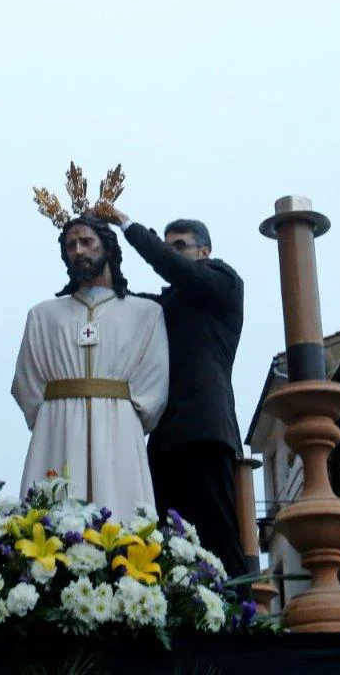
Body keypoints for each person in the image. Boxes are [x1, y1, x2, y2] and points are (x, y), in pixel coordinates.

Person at [113, 212, 248, 579]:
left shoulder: (223, 281)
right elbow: (129, 305)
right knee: (164, 546)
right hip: (164, 439)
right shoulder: (168, 304)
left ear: (204, 251)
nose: (172, 253)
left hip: (205, 431)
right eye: (168, 245)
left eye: (180, 246)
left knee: (217, 540)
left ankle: (241, 623)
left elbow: (175, 269)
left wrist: (129, 227)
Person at [12, 214, 169, 519]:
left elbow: (154, 381)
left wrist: (124, 417)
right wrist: (51, 418)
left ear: (107, 247)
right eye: (71, 245)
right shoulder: (43, 316)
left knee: (122, 515)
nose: (79, 250)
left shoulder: (146, 314)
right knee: (52, 512)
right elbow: (27, 381)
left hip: (119, 427)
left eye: (86, 241)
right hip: (56, 428)